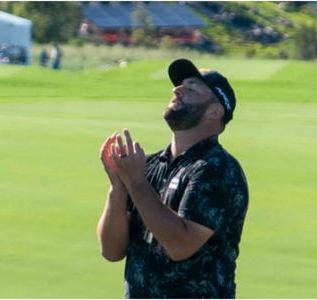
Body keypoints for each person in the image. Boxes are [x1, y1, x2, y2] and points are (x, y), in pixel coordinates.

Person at [97, 58, 249, 298]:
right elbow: (111, 250)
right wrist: (117, 187)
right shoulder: (149, 165)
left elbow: (180, 245)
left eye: (190, 88)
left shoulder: (218, 168)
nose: (176, 89)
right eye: (179, 86)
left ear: (214, 111)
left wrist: (135, 183)